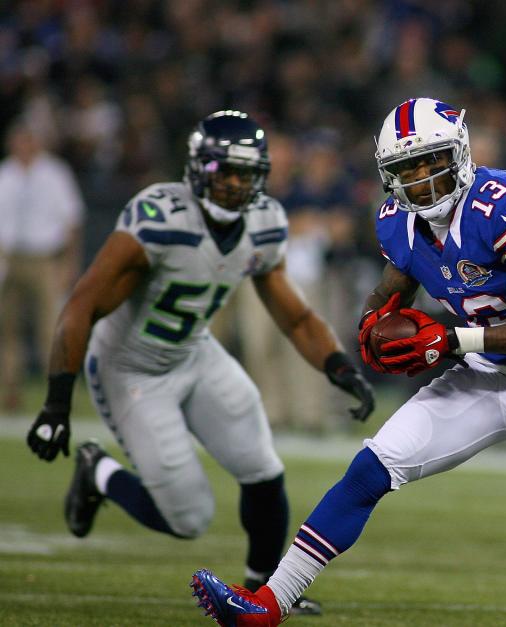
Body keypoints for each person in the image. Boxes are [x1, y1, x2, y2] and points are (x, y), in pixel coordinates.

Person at [189, 97, 506, 627]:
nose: (420, 178)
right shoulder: (399, 221)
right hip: (488, 373)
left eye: (429, 160)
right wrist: (372, 324)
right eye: (404, 168)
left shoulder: (503, 203)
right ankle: (269, 603)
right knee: (370, 469)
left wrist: (453, 340)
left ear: (459, 153)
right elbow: (392, 288)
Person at [25, 110, 375, 615]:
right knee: (188, 516)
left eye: (245, 174)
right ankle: (98, 471)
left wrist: (341, 368)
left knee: (262, 465)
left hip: (194, 351)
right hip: (131, 367)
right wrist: (57, 402)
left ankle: (263, 591)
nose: (234, 184)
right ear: (197, 170)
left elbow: (295, 317)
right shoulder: (160, 217)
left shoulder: (263, 222)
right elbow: (82, 304)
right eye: (223, 172)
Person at [0, 121, 85, 410]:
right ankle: (10, 391)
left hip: (44, 257)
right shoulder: (5, 174)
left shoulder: (54, 173)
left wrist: (69, 263)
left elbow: (72, 221)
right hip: (9, 257)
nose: (22, 146)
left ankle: (56, 393)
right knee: (6, 329)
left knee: (50, 329)